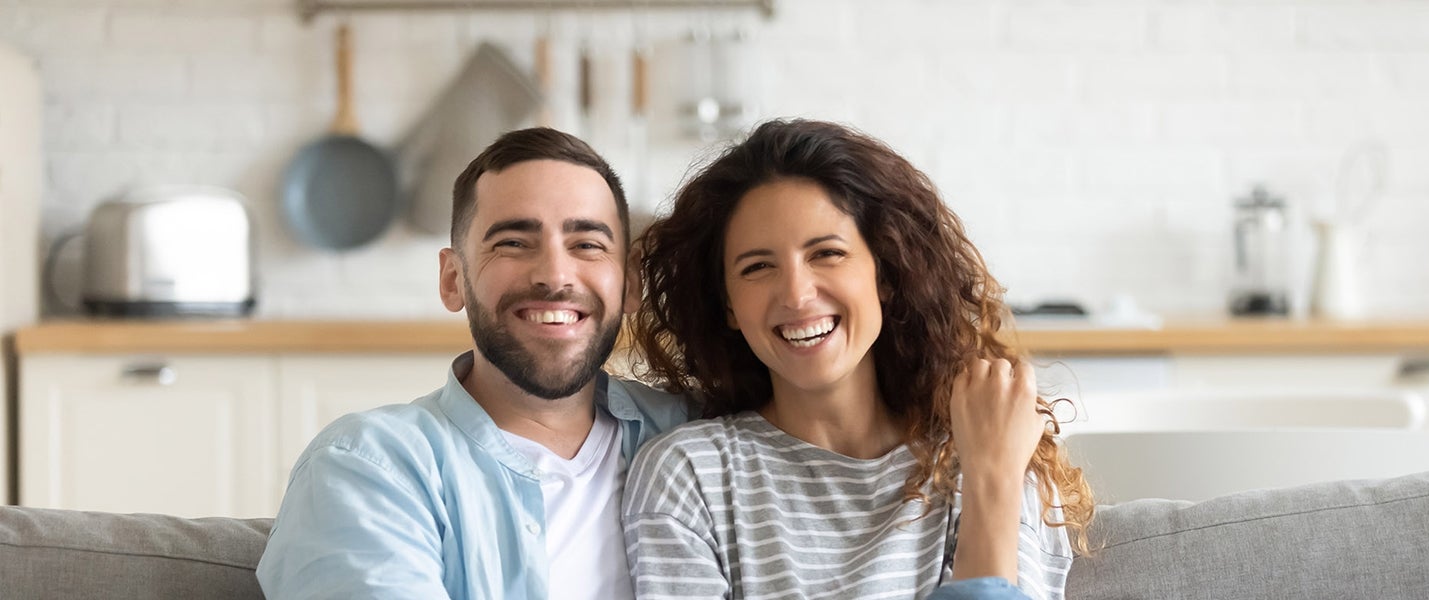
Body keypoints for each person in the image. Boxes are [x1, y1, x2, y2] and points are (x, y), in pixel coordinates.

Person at [621, 119, 1095, 599]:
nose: (797, 294)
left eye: (826, 253)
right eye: (758, 266)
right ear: (728, 305)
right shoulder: (689, 475)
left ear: (885, 274)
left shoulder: (991, 452)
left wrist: (991, 482)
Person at [257, 128, 693, 599]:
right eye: (512, 243)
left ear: (629, 283)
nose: (554, 275)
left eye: (587, 244)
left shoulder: (694, 436)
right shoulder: (367, 468)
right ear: (452, 280)